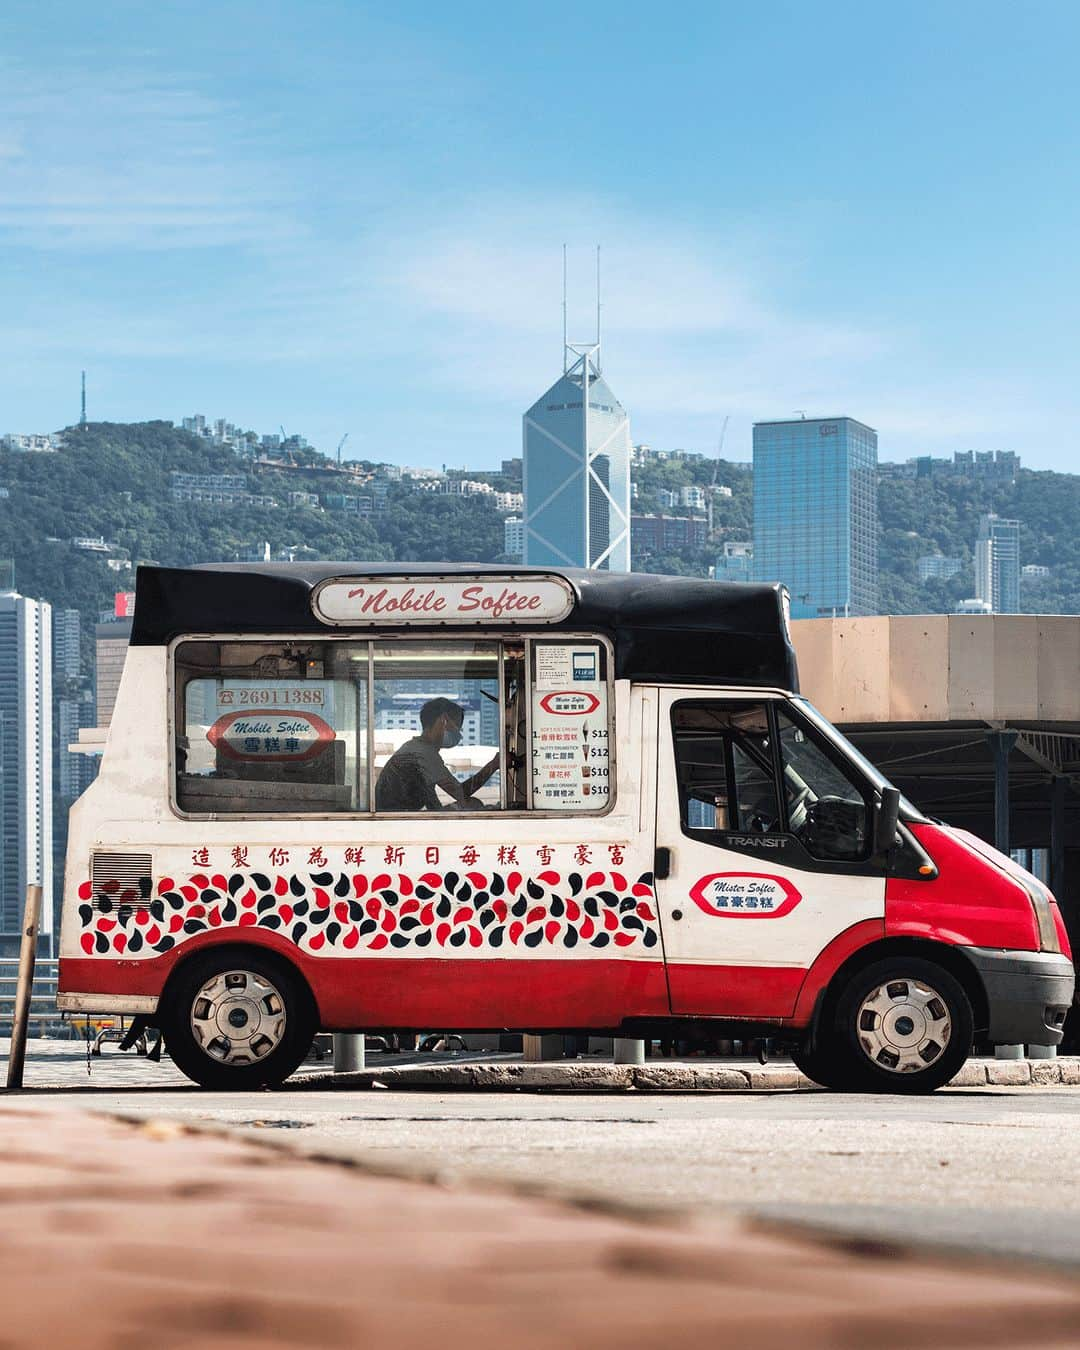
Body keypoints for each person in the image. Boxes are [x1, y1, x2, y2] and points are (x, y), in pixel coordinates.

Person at [375, 697, 500, 811]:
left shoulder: (413, 748)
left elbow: (432, 803)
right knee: (472, 804)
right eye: (457, 727)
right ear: (444, 720)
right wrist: (493, 765)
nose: (458, 734)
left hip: (396, 819)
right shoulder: (423, 754)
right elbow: (461, 792)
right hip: (397, 822)